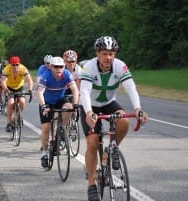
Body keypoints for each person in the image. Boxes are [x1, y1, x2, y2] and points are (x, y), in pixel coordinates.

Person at [80, 36, 148, 201]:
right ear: (97, 54)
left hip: (109, 103)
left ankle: (111, 150)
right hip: (91, 106)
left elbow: (131, 87)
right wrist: (89, 112)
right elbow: (85, 92)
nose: (108, 57)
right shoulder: (89, 68)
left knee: (124, 120)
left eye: (111, 53)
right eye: (104, 54)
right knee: (92, 143)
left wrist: (137, 108)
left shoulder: (120, 66)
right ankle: (91, 184)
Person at [37, 56, 79, 168]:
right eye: (56, 67)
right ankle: (44, 153)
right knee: (46, 127)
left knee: (69, 107)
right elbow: (40, 92)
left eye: (61, 67)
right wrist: (43, 106)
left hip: (60, 99)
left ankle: (61, 128)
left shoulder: (66, 74)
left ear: (64, 67)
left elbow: (75, 89)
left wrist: (75, 104)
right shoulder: (46, 75)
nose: (58, 69)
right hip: (47, 101)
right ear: (51, 67)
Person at [1, 56, 33, 132]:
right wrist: (6, 89)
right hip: (9, 88)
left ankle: (17, 115)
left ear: (19, 64)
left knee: (22, 101)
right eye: (13, 65)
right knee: (11, 102)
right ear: (10, 65)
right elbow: (2, 81)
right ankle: (9, 123)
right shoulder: (7, 69)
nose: (15, 67)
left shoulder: (23, 69)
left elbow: (30, 81)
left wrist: (30, 90)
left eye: (17, 65)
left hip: (20, 87)